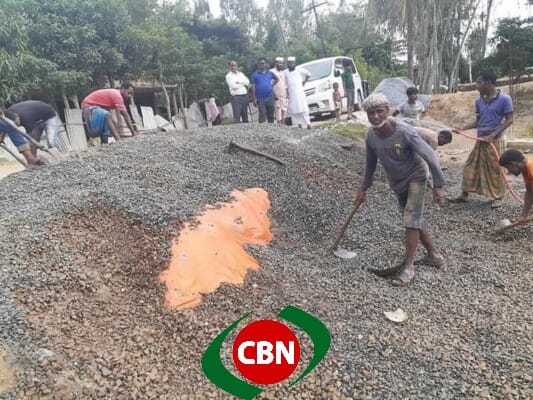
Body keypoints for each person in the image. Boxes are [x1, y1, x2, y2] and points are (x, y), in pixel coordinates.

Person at [355, 93, 447, 286]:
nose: (375, 117)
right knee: (414, 219)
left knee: (411, 219)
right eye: (371, 113)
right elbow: (370, 164)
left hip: (416, 177)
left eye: (379, 111)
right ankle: (434, 255)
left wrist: (438, 185)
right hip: (397, 182)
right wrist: (364, 188)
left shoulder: (404, 131)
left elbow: (430, 155)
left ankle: (408, 267)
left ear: (387, 110)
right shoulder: (371, 136)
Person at [451, 71, 513, 208]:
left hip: (495, 140)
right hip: (481, 140)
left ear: (488, 82)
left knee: (496, 169)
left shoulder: (505, 99)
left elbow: (510, 120)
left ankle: (497, 197)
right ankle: (464, 194)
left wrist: (493, 135)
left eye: (479, 82)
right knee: (470, 165)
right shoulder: (479, 101)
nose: (476, 85)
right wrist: (462, 128)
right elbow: (478, 121)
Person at [498, 149, 533, 222]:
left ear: (512, 164)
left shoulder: (531, 168)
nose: (509, 172)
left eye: (507, 168)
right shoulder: (526, 169)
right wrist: (524, 215)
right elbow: (529, 192)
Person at [285, 56, 312, 129]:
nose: (291, 65)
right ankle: (298, 124)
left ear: (295, 63)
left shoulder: (299, 69)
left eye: (292, 63)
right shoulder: (285, 72)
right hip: (291, 94)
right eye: (289, 63)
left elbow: (308, 74)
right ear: (287, 64)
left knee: (303, 108)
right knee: (294, 109)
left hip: (300, 93)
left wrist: (304, 82)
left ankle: (308, 124)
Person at [251, 57, 278, 123]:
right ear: (258, 65)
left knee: (271, 115)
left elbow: (277, 79)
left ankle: (271, 128)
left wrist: (271, 86)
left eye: (263, 63)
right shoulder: (255, 75)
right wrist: (254, 99)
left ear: (266, 64)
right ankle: (261, 129)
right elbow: (253, 87)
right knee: (262, 115)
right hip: (260, 98)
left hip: (270, 97)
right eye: (260, 63)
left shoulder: (270, 73)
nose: (262, 65)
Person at [270, 57, 288, 124]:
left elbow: (285, 84)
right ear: (275, 63)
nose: (281, 65)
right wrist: (273, 94)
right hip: (276, 97)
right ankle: (279, 127)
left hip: (284, 96)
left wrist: (287, 94)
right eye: (280, 63)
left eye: (282, 63)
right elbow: (270, 85)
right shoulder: (271, 72)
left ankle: (284, 126)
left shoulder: (283, 72)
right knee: (278, 114)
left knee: (284, 112)